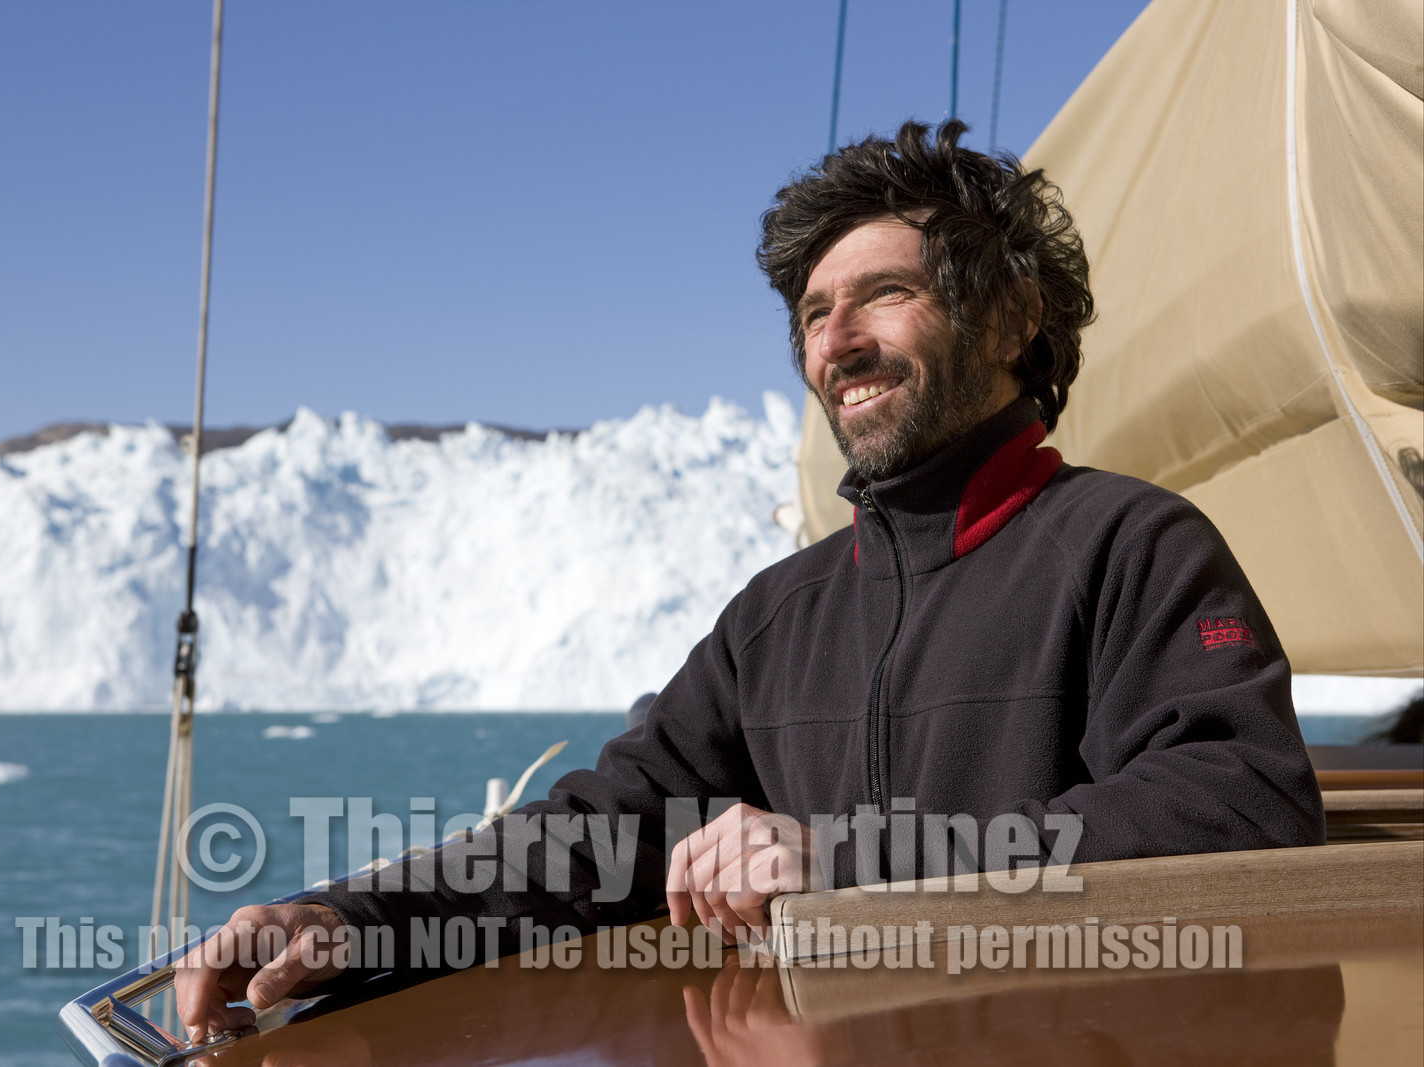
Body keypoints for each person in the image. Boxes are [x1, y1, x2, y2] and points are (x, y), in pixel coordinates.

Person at [176, 120, 1324, 1040]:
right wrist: (351, 917)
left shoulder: (1128, 543)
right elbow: (600, 830)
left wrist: (850, 860)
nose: (835, 343)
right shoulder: (780, 614)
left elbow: (1237, 799)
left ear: (1014, 318)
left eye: (882, 294)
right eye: (814, 314)